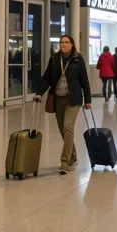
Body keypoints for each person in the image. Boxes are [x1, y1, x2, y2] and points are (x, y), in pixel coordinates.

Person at [34, 35, 92, 174]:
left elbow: (84, 80)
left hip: (74, 98)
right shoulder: (54, 59)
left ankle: (64, 162)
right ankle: (72, 154)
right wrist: (39, 93)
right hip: (58, 98)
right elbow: (46, 77)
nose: (63, 44)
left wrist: (88, 100)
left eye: (66, 42)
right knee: (62, 129)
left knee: (68, 127)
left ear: (72, 44)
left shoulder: (78, 59)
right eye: (61, 42)